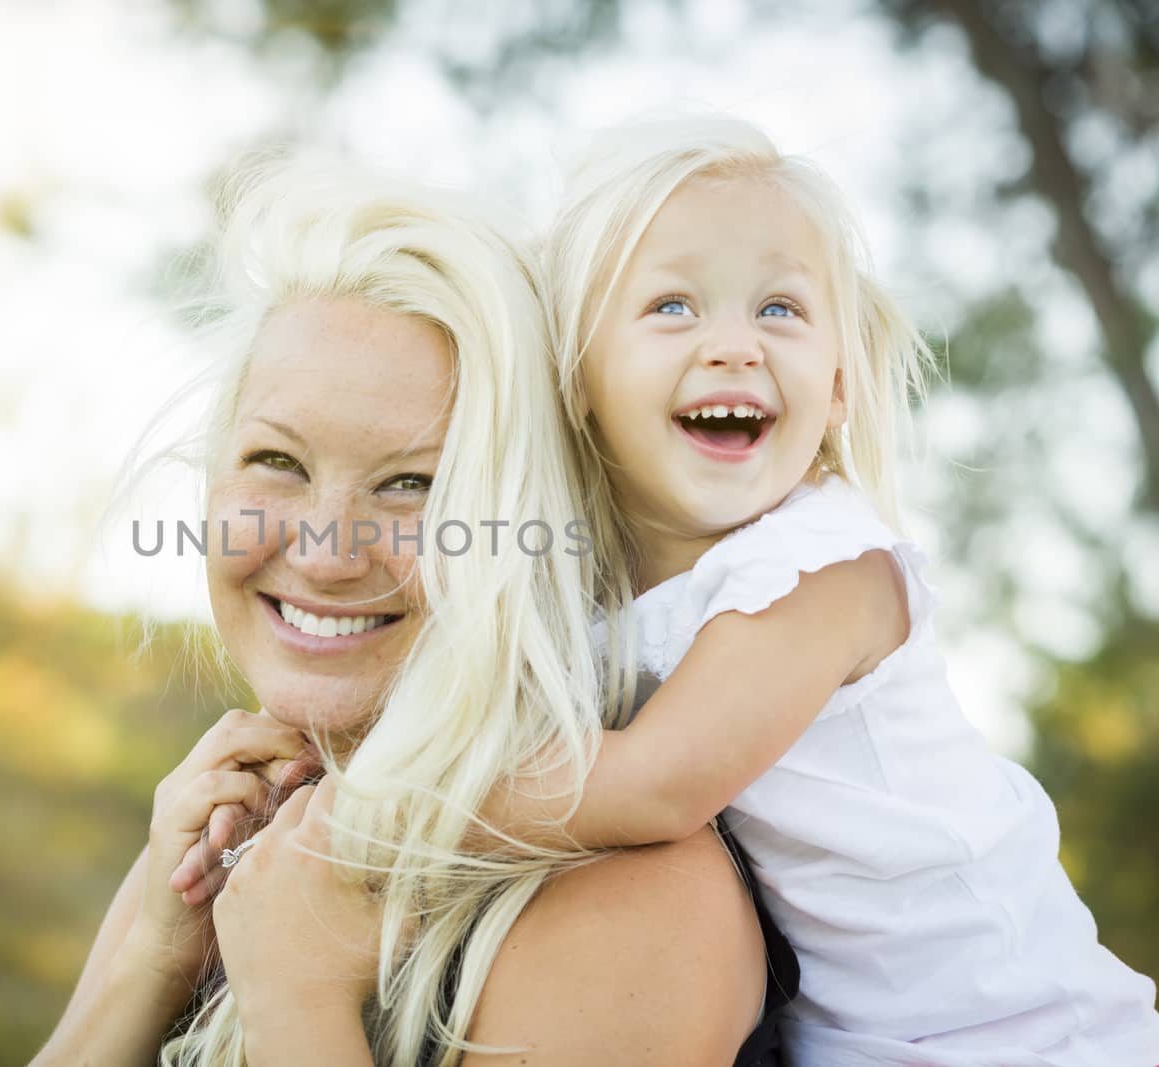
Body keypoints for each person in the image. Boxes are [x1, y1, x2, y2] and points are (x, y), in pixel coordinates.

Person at [29, 157, 795, 1066]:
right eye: (277, 461)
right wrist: (155, 957)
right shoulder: (247, 826)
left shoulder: (637, 901)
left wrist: (301, 1002)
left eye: (412, 486)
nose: (322, 552)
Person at [492, 115, 1159, 1065]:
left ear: (838, 386)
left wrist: (393, 796)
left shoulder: (822, 566)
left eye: (779, 310)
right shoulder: (588, 597)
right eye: (673, 306)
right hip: (867, 1039)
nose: (735, 345)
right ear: (578, 377)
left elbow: (654, 786)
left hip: (1019, 1034)